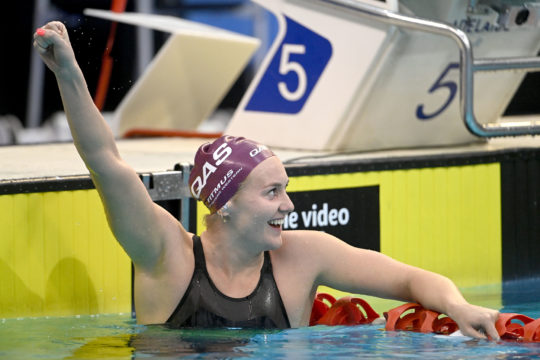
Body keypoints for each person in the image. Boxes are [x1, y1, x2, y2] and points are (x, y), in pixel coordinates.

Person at [33, 21, 500, 339]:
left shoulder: (304, 256)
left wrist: (460, 308)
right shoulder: (165, 255)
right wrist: (70, 74)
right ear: (226, 203)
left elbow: (413, 279)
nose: (288, 206)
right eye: (272, 191)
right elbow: (104, 161)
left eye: (286, 190)